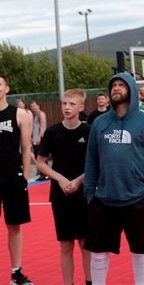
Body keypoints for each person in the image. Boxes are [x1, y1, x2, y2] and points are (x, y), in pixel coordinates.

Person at [83, 72, 144, 285]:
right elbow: (91, 160)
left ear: (131, 90)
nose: (116, 88)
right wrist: (90, 193)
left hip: (138, 199)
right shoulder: (100, 123)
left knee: (139, 249)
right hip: (103, 200)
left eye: (121, 85)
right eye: (113, 86)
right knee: (98, 252)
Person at [36, 89, 92, 285]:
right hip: (60, 197)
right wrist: (60, 179)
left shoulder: (89, 131)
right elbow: (40, 162)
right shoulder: (52, 132)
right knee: (66, 245)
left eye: (71, 104)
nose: (67, 107)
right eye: (64, 103)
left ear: (81, 107)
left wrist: (78, 181)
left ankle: (89, 281)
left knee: (86, 244)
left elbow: (97, 164)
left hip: (84, 195)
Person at [0, 74, 34, 285]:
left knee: (14, 226)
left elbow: (26, 147)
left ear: (6, 89)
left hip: (12, 176)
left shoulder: (19, 114)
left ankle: (16, 272)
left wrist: (26, 176)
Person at [30, 100, 48, 181]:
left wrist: (39, 137)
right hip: (35, 138)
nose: (33, 107)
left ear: (38, 106)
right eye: (31, 106)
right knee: (38, 156)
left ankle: (45, 174)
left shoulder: (41, 114)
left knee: (41, 157)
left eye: (34, 105)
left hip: (40, 138)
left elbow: (43, 126)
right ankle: (42, 173)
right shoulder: (35, 115)